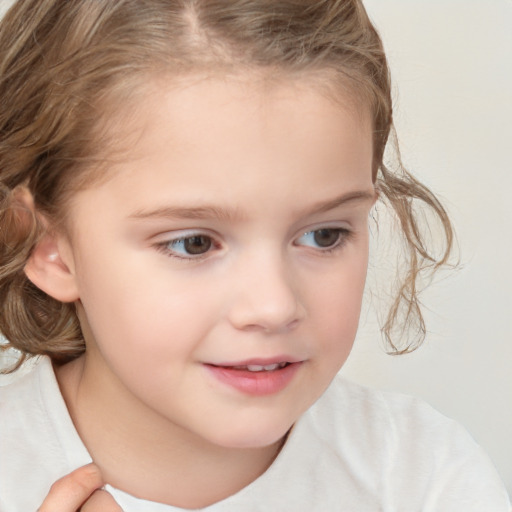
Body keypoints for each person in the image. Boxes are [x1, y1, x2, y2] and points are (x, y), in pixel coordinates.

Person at [0, 0, 509, 510]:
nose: (274, 306)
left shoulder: (422, 477)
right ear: (49, 248)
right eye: (193, 243)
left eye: (324, 235)